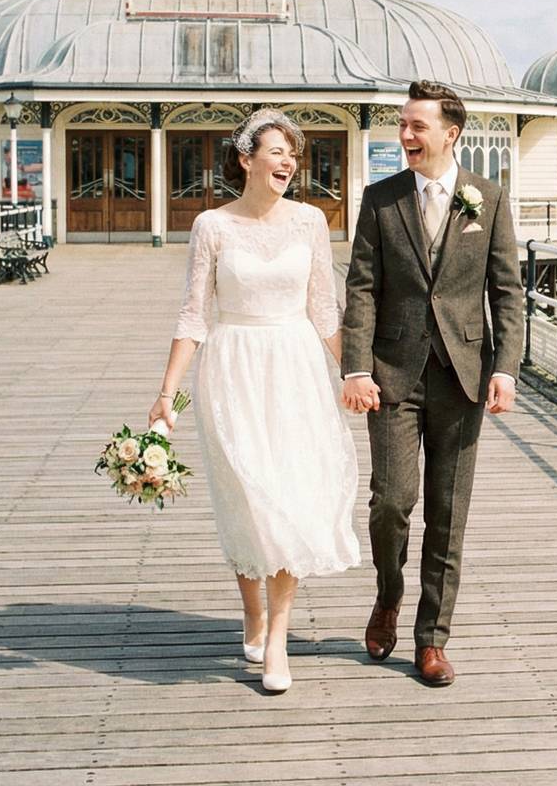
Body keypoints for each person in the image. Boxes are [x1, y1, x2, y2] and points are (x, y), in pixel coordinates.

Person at [150, 108, 360, 694]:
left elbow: (324, 309)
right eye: (277, 151)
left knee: (286, 498)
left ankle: (278, 640)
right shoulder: (212, 227)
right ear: (246, 159)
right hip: (233, 367)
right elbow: (194, 313)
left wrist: (355, 374)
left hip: (294, 367)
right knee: (245, 497)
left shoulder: (312, 222)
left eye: (294, 154)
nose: (289, 162)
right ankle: (251, 608)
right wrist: (165, 393)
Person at [340, 80, 524, 687]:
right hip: (393, 375)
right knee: (392, 501)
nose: (406, 136)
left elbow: (507, 292)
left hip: (464, 377)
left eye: (418, 126)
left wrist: (505, 368)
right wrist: (357, 367)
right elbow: (362, 286)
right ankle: (388, 594)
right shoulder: (381, 198)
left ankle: (431, 639)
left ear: (451, 133)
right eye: (403, 125)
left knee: (449, 514)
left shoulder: (487, 199)